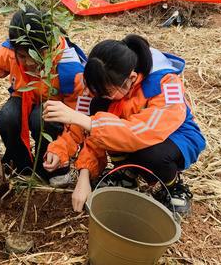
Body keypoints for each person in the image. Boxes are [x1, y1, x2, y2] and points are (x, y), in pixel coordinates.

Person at [42, 34, 206, 215]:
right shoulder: (98, 82)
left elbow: (142, 132)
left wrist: (89, 122)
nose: (95, 94)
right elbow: (87, 131)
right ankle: (127, 175)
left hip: (174, 137)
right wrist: (66, 157)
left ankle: (174, 186)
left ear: (132, 78)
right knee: (107, 124)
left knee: (151, 154)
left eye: (107, 93)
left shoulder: (166, 84)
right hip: (128, 132)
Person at [0, 8, 88, 186]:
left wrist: (61, 148)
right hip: (23, 98)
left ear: (48, 46)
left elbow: (79, 120)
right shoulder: (10, 52)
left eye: (36, 55)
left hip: (56, 110)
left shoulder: (70, 69)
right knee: (8, 116)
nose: (28, 62)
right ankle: (20, 164)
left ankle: (49, 165)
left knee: (42, 119)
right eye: (22, 56)